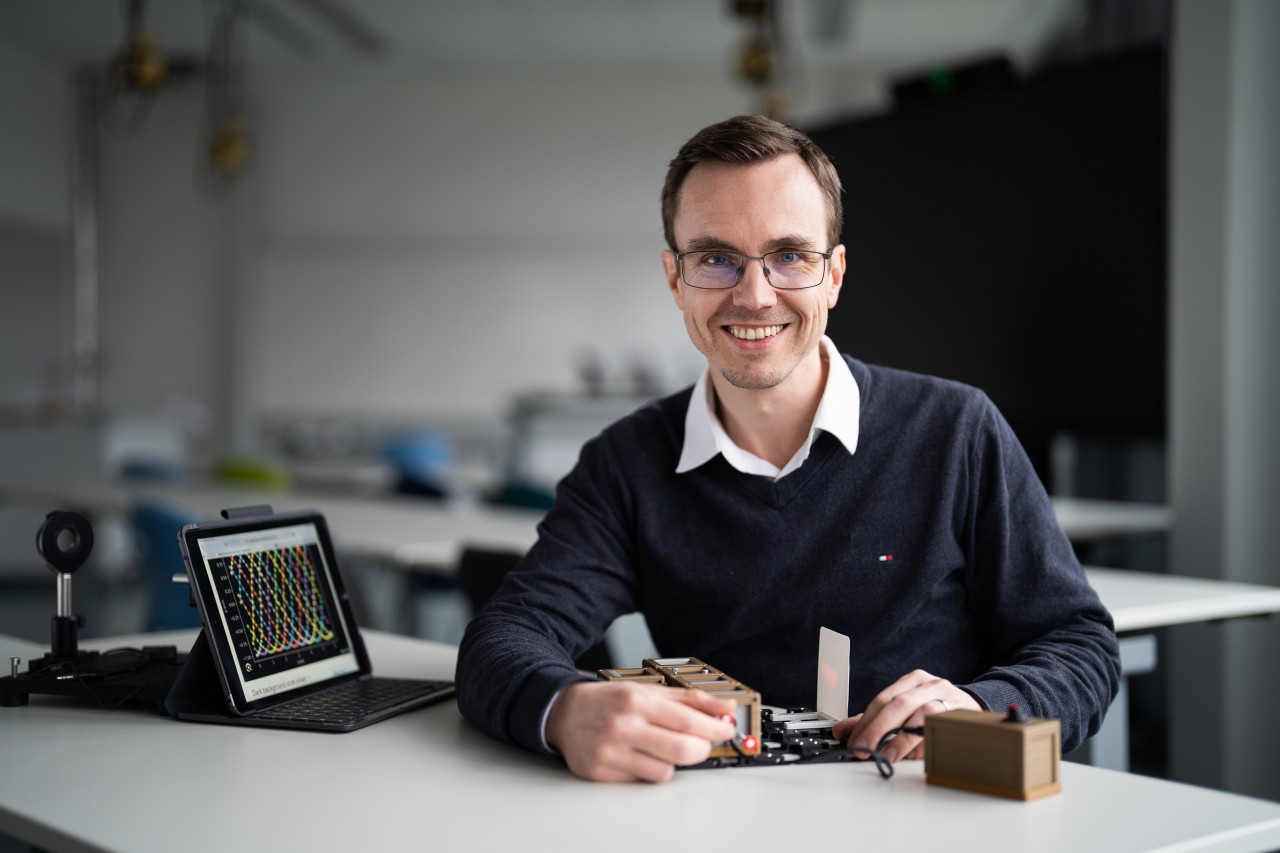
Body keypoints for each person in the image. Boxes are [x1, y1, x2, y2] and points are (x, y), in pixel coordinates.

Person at [456, 114, 1120, 783]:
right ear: (674, 278)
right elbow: (503, 639)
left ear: (833, 274)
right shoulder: (624, 465)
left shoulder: (956, 429)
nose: (754, 294)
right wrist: (565, 709)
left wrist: (979, 704)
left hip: (923, 812)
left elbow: (1080, 645)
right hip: (722, 820)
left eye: (789, 256)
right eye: (716, 258)